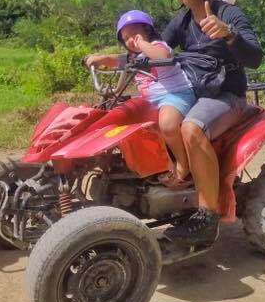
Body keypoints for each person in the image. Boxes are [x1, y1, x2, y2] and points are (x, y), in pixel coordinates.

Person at [159, 0, 262, 246]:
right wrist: (120, 55)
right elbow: (158, 49)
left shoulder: (228, 14)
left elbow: (254, 57)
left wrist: (229, 35)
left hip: (226, 95)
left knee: (192, 128)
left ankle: (207, 216)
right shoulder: (180, 20)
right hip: (193, 91)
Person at [83, 10, 197, 187]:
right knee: (121, 118)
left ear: (147, 31)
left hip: (175, 95)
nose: (131, 40)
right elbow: (116, 60)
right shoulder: (133, 57)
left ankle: (183, 165)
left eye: (134, 34)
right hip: (151, 102)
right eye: (126, 38)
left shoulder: (158, 46)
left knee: (167, 124)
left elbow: (163, 56)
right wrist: (99, 58)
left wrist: (142, 44)